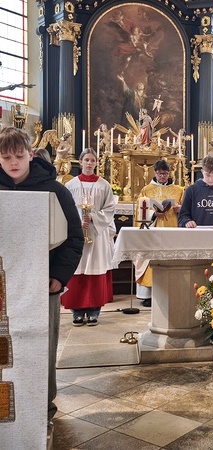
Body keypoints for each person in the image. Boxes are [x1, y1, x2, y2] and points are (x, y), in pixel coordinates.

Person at [0, 126, 84, 427]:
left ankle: (42, 409)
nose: (13, 163)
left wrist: (59, 276)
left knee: (39, 345)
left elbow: (74, 237)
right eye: (6, 157)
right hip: (2, 284)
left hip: (42, 283)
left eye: (19, 156)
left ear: (31, 154)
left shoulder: (55, 191)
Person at [61, 148, 116, 326]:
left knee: (95, 268)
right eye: (86, 160)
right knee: (77, 269)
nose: (89, 163)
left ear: (96, 163)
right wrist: (77, 222)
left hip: (96, 234)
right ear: (80, 162)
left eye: (93, 160)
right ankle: (76, 312)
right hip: (76, 234)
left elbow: (110, 209)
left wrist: (93, 218)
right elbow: (64, 209)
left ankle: (94, 311)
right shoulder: (71, 185)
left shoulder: (104, 185)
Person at [134, 160, 184, 306]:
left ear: (169, 174)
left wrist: (180, 209)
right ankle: (148, 295)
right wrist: (154, 214)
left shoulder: (179, 190)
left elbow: (185, 209)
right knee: (151, 259)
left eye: (165, 173)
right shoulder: (146, 190)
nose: (162, 176)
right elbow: (139, 211)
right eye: (160, 173)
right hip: (153, 230)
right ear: (155, 173)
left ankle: (171, 292)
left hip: (172, 229)